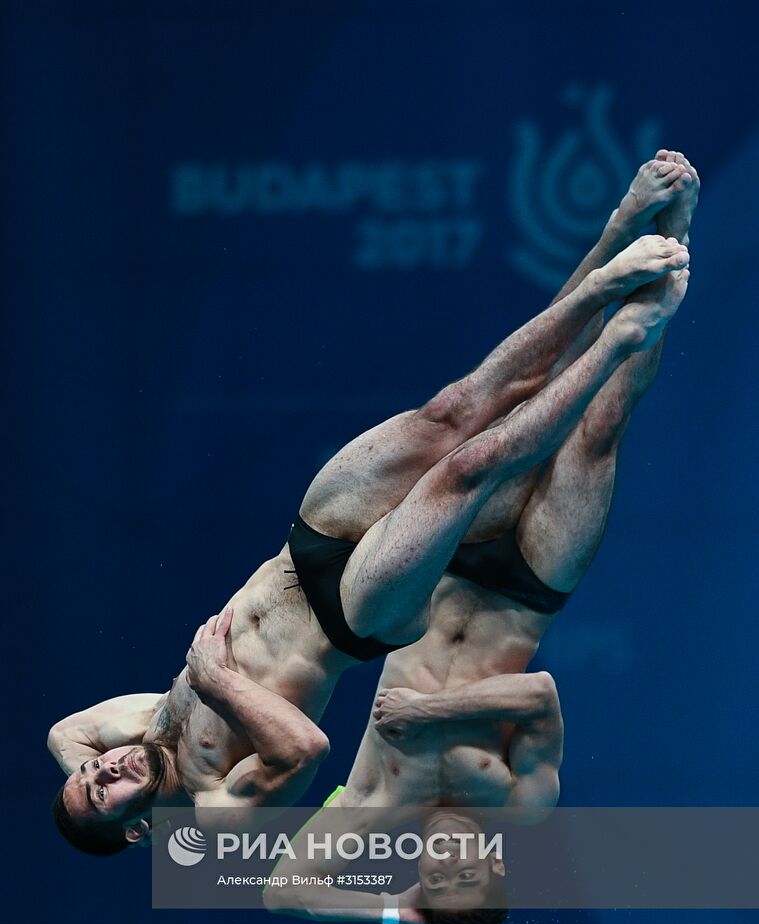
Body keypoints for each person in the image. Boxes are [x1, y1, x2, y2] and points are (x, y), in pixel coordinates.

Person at [48, 151, 695, 856]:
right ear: (139, 829)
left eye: (91, 772)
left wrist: (81, 784)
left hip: (304, 546)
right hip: (350, 615)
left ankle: (607, 251)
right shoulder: (212, 810)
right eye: (104, 790)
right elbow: (304, 749)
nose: (104, 766)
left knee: (454, 409)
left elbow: (61, 735)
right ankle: (619, 340)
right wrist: (209, 678)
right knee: (469, 467)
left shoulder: (138, 729)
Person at [264, 151, 700, 924]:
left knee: (530, 395)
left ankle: (621, 227)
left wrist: (402, 915)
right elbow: (539, 700)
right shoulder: (520, 805)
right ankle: (671, 230)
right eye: (467, 873)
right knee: (599, 428)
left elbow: (284, 893)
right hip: (531, 587)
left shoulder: (375, 801)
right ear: (495, 865)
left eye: (434, 878)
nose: (447, 860)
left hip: (452, 566)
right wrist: (433, 710)